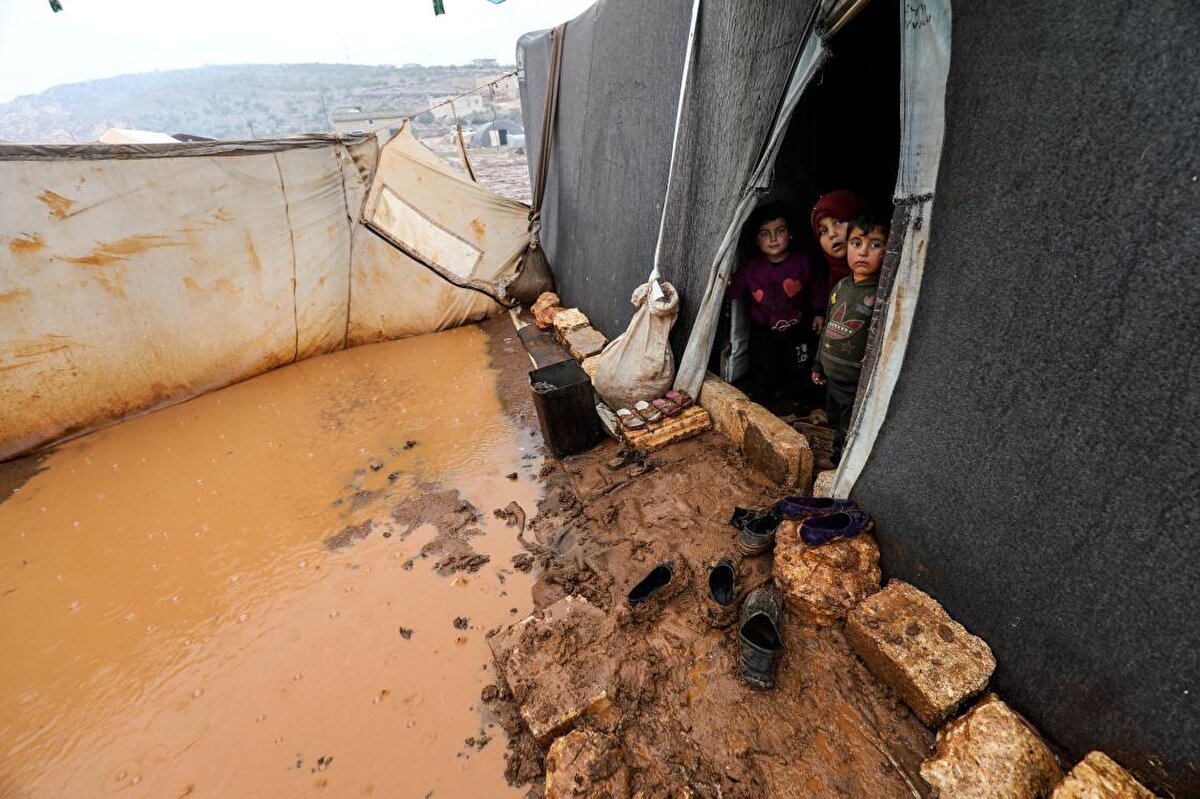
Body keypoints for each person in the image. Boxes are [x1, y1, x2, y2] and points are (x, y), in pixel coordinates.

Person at [726, 201, 826, 406]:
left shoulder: (802, 262)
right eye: (765, 233)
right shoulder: (750, 269)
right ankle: (765, 405)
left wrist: (818, 312)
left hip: (798, 327)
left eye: (779, 231)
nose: (773, 238)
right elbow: (733, 292)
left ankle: (799, 401)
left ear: (790, 233)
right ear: (756, 239)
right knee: (764, 369)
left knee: (798, 366)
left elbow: (816, 286)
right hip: (764, 331)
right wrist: (723, 282)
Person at [811, 211, 889, 468]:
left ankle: (839, 462)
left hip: (854, 381)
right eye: (857, 244)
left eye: (874, 245)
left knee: (849, 425)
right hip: (833, 376)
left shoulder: (881, 294)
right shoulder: (842, 287)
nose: (863, 252)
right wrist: (818, 363)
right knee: (834, 417)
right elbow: (829, 326)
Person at [810, 189, 867, 301]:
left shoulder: (883, 271)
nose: (832, 234)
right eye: (823, 231)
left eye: (838, 222)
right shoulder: (821, 284)